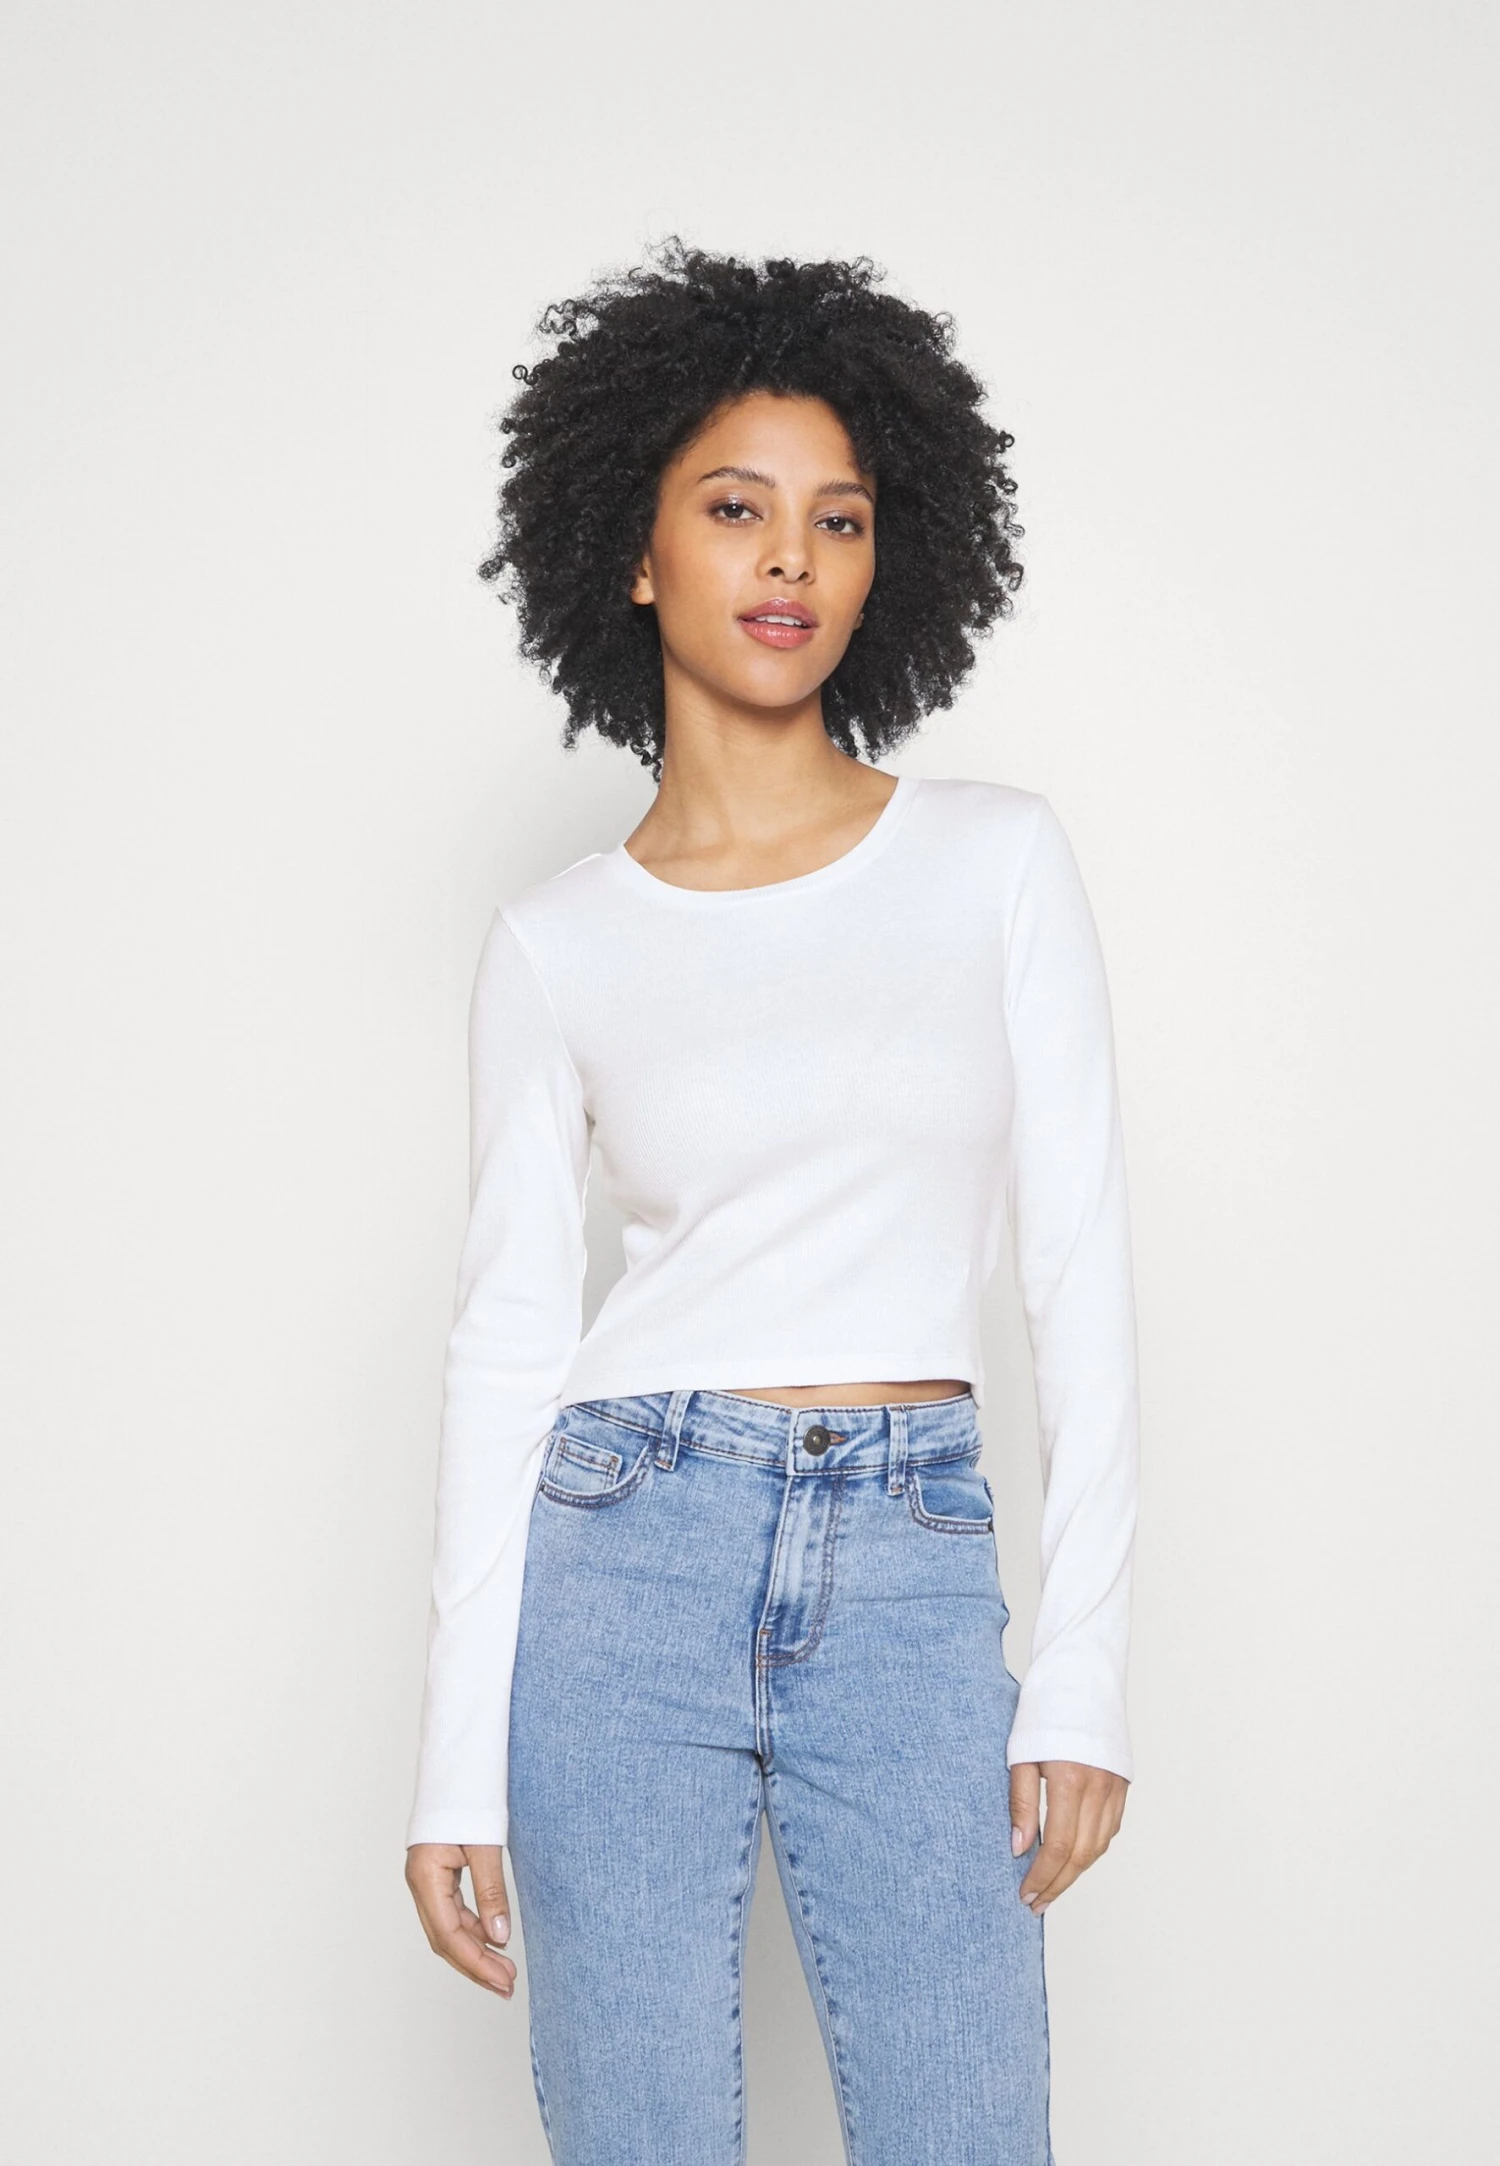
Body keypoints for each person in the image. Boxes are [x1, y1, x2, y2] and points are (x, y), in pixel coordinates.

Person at [404, 240, 1139, 2166]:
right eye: (734, 509)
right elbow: (505, 1342)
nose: (790, 557)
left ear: (892, 555)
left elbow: (1077, 1272)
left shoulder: (995, 863)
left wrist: (1080, 1669)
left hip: (909, 1555)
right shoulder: (555, 943)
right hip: (622, 1554)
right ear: (635, 551)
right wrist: (455, 1762)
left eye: (839, 515)